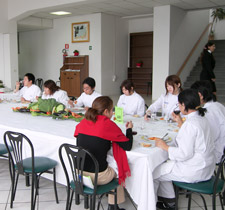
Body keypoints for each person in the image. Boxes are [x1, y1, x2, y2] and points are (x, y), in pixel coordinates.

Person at [153, 89, 215, 210]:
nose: (179, 107)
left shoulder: (190, 124)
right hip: (206, 166)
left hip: (194, 170)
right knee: (163, 166)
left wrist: (165, 147)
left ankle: (151, 204)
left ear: (184, 105)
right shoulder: (202, 118)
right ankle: (169, 201)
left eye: (179, 104)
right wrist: (181, 123)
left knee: (154, 171)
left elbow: (184, 154)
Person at [74, 96, 133, 210]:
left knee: (106, 161)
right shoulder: (108, 124)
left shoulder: (83, 121)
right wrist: (129, 129)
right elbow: (127, 146)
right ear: (106, 111)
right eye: (112, 110)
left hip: (79, 172)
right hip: (98, 176)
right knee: (118, 169)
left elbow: (81, 141)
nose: (112, 113)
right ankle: (113, 205)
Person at [191, 80, 225, 163]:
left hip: (217, 152)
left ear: (200, 95)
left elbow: (210, 137)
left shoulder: (208, 112)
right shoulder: (218, 105)